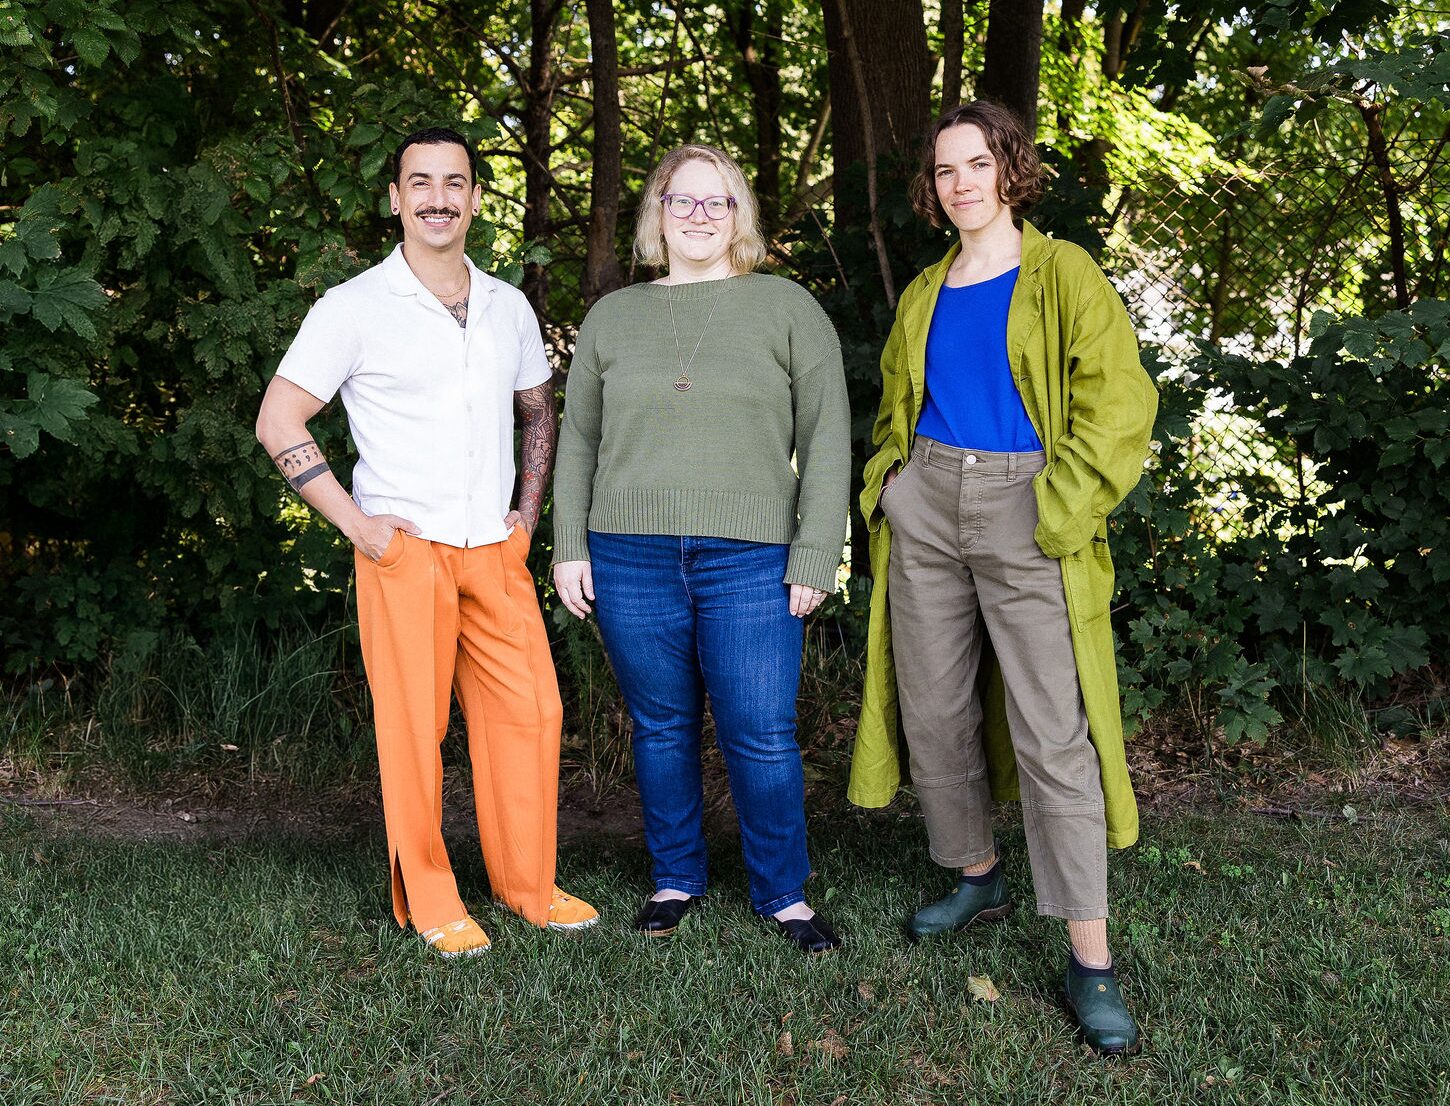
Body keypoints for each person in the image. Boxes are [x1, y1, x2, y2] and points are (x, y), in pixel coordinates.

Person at [848, 102, 1157, 1053]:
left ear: (1009, 169)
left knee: (1051, 730)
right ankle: (976, 874)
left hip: (1031, 505)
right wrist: (891, 484)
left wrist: (1055, 507)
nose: (961, 184)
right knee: (934, 706)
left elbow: (1119, 404)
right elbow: (900, 403)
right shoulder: (926, 290)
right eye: (945, 171)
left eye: (977, 164)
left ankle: (1090, 956)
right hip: (931, 501)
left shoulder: (1063, 272)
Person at [255, 126, 597, 958]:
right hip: (403, 551)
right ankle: (433, 900)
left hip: (494, 547)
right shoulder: (353, 308)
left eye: (455, 182)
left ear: (477, 198)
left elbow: (538, 410)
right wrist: (357, 524)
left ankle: (527, 885)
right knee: (413, 732)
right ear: (397, 199)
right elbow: (278, 419)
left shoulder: (508, 305)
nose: (439, 197)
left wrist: (528, 513)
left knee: (533, 713)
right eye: (421, 182)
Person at [551, 144, 850, 954]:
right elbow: (578, 440)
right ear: (657, 212)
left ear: (739, 215)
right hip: (628, 553)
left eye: (717, 202)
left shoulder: (787, 307)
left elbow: (827, 440)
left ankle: (783, 893)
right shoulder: (614, 316)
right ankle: (676, 875)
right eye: (681, 201)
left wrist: (816, 552)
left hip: (752, 557)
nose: (698, 216)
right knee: (661, 726)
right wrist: (568, 544)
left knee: (761, 729)